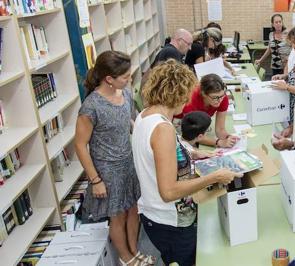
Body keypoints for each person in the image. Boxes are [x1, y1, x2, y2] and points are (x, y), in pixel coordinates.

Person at [132, 60, 240, 265]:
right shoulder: (162, 128)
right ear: (178, 93)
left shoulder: (145, 115)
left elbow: (159, 154)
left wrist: (192, 152)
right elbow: (169, 192)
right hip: (170, 221)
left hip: (155, 216)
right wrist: (215, 176)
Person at [75, 51, 153, 266]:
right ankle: (125, 257)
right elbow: (80, 145)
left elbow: (130, 120)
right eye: (125, 77)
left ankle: (134, 250)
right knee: (117, 215)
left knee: (133, 209)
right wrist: (95, 180)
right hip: (107, 170)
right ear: (109, 79)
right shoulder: (91, 107)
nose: (129, 80)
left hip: (128, 162)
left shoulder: (125, 94)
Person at [175, 74, 239, 148]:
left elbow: (220, 129)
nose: (219, 101)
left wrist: (229, 138)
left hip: (198, 122)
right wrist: (218, 142)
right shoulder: (191, 100)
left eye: (222, 96)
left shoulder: (222, 98)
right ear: (203, 94)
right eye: (215, 97)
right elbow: (193, 135)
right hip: (178, 121)